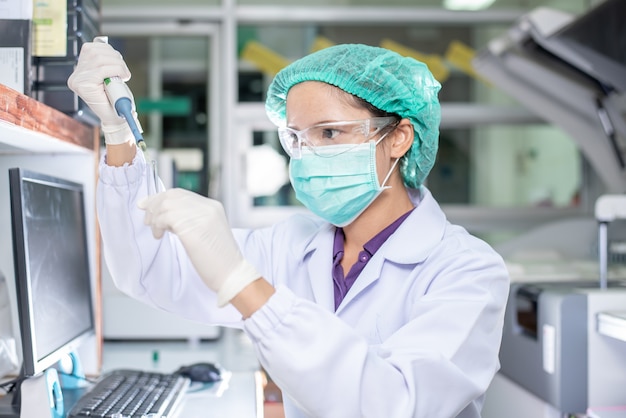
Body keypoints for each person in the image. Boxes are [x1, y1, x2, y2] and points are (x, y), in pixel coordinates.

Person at [68, 42, 510, 418]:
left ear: (398, 137)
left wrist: (241, 281)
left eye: (330, 133)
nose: (307, 155)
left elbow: (393, 403)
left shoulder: (467, 271)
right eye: (296, 137)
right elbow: (151, 269)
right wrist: (117, 130)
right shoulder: (293, 244)